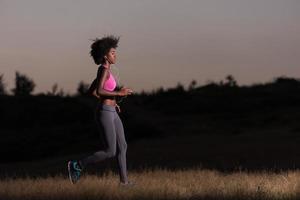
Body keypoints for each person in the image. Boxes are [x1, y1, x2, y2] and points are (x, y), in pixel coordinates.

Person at [67, 35, 134, 186]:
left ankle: (124, 183)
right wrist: (119, 94)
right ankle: (77, 165)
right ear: (105, 55)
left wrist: (112, 102)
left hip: (111, 111)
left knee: (122, 146)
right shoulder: (103, 70)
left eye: (115, 52)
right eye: (112, 53)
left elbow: (93, 92)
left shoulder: (105, 71)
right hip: (105, 113)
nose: (115, 55)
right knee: (110, 151)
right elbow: (100, 90)